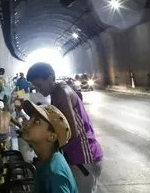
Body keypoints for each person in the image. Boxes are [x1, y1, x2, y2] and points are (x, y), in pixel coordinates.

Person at [27, 63, 103, 193]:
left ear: (50, 78)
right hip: (78, 156)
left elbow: (69, 131)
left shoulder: (61, 93)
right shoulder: (57, 92)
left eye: (39, 85)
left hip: (83, 158)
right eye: (35, 87)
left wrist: (44, 142)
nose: (38, 90)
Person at [21, 100, 78, 193]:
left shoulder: (54, 173)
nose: (27, 123)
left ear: (51, 137)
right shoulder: (46, 160)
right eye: (30, 118)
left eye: (36, 121)